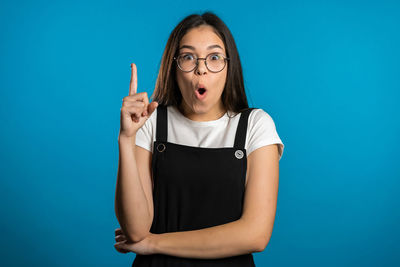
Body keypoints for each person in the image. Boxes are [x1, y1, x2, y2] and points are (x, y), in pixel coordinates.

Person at [114, 12, 284, 266]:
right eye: (188, 57)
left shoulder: (255, 125)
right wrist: (127, 140)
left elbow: (256, 235)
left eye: (214, 57)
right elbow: (136, 230)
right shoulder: (151, 121)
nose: (201, 68)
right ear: (174, 66)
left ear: (229, 66)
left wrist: (154, 243)